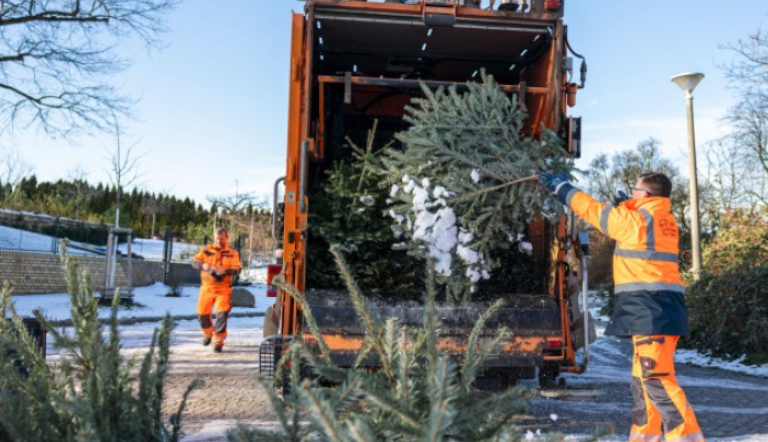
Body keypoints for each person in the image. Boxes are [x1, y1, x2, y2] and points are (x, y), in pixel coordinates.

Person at [538, 171, 705, 442]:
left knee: (657, 380)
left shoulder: (636, 221)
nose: (632, 193)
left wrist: (561, 188)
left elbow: (592, 210)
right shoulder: (663, 219)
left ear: (647, 196)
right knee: (643, 382)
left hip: (651, 312)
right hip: (658, 312)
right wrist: (629, 204)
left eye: (636, 191)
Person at [191, 228, 242, 353]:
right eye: (217, 239)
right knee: (202, 314)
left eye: (222, 239)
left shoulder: (232, 253)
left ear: (227, 237)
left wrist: (225, 270)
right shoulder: (206, 250)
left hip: (223, 288)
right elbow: (194, 262)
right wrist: (203, 265)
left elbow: (237, 269)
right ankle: (208, 334)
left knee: (222, 314)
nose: (219, 241)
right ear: (214, 238)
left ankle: (218, 341)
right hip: (206, 288)